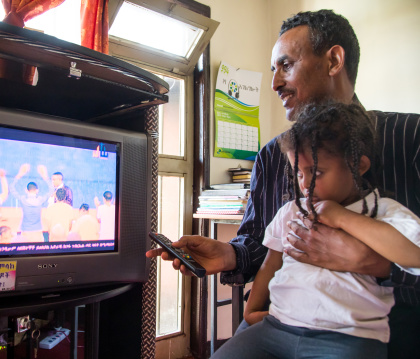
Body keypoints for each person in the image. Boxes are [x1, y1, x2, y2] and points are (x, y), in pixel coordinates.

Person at [145, 9, 420, 358]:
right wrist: (229, 254)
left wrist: (377, 265)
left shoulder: (411, 139)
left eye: (285, 65)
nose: (274, 83)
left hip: (382, 332)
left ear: (333, 60)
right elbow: (262, 244)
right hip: (281, 323)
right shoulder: (272, 156)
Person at [214, 103, 420, 358]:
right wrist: (251, 311)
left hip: (348, 338)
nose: (305, 184)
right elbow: (270, 263)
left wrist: (342, 217)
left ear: (359, 166)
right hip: (277, 327)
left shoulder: (383, 211)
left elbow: (414, 255)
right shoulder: (291, 211)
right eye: (299, 173)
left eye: (317, 172)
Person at [9, 164, 53, 242]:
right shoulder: (40, 200)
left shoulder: (23, 200)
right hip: (38, 231)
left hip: (25, 231)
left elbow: (11, 188)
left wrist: (20, 174)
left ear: (26, 190)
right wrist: (45, 176)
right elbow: (51, 190)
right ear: (37, 190)